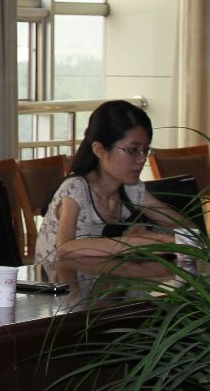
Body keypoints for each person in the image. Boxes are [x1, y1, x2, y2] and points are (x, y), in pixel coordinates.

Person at [32, 100, 186, 283]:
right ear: (99, 150)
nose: (142, 159)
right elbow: (65, 249)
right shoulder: (76, 188)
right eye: (132, 150)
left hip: (104, 282)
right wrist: (136, 243)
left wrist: (153, 235)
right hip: (60, 291)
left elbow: (187, 229)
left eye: (145, 150)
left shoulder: (132, 190)